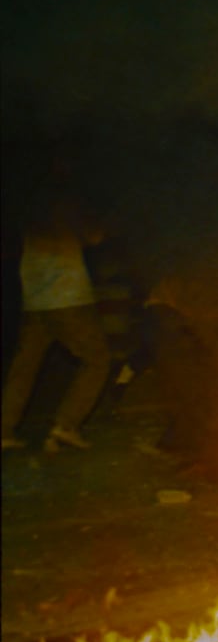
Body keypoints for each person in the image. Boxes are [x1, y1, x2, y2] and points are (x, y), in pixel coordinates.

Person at [1, 179, 113, 454]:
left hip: (35, 298)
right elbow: (94, 236)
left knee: (24, 368)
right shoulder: (68, 203)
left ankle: (3, 430)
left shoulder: (27, 206)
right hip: (67, 297)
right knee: (98, 360)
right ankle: (67, 425)